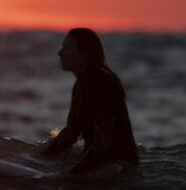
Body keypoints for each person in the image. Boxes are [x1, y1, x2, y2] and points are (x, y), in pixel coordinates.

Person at [41, 28, 138, 180]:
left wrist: (71, 176)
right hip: (100, 160)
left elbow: (103, 143)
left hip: (117, 165)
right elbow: (70, 135)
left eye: (66, 49)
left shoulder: (102, 83)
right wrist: (38, 156)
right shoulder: (82, 84)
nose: (59, 54)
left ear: (84, 53)